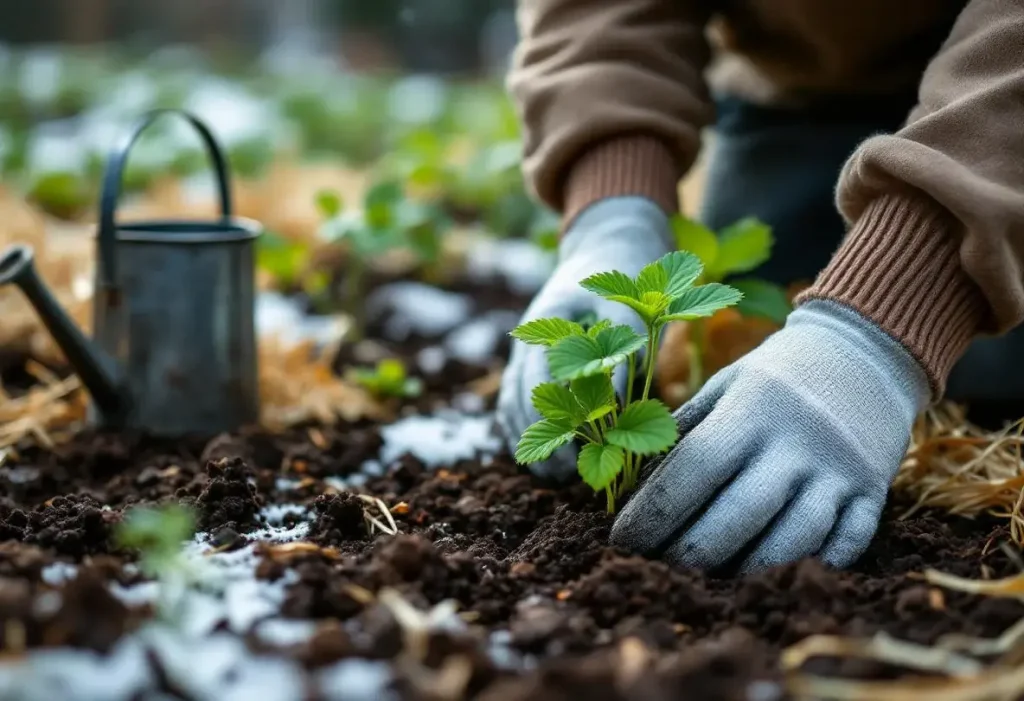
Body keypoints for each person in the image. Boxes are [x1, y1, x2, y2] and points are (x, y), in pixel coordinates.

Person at [495, 0, 1024, 573]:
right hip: (793, 96)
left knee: (990, 378)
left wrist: (874, 339)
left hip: (1004, 111)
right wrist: (613, 212)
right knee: (745, 381)